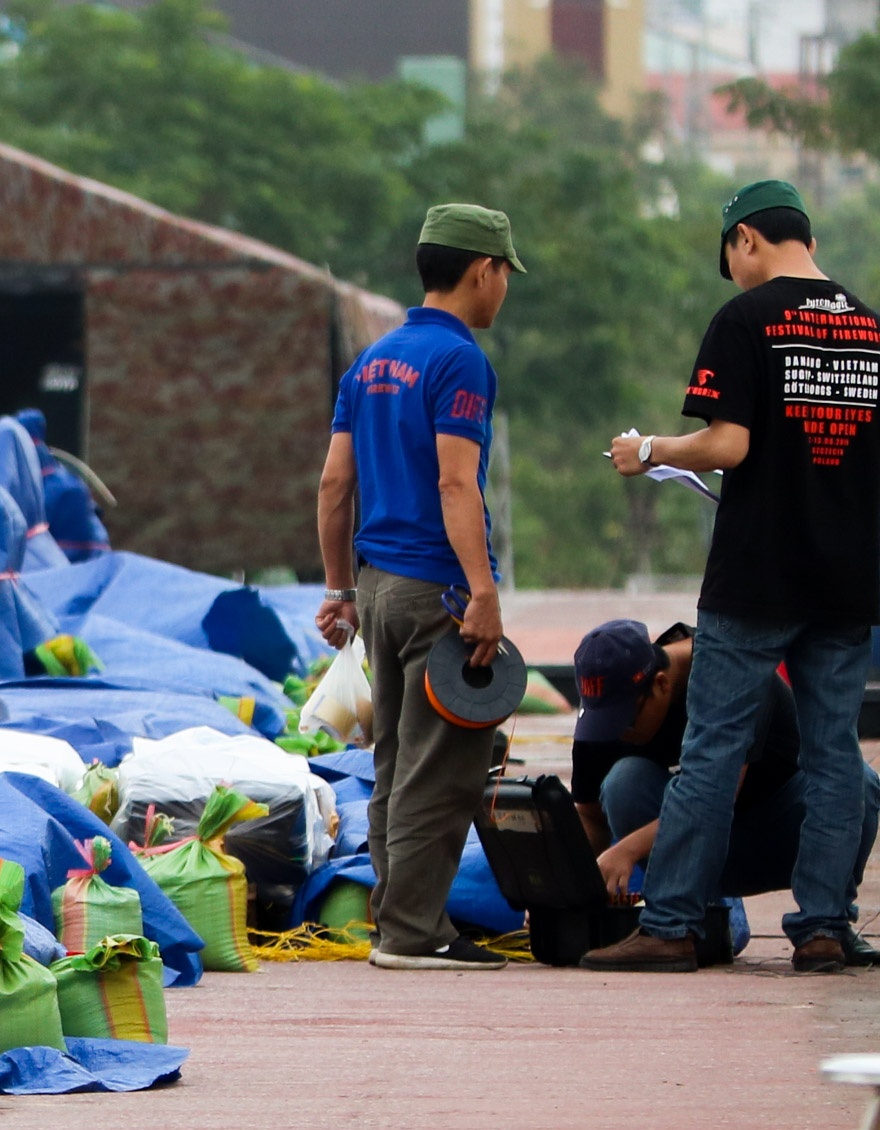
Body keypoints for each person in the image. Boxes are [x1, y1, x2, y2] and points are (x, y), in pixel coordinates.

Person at [583, 180, 880, 974]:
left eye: (731, 257)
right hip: (850, 580)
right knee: (833, 755)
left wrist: (649, 451)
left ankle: (673, 921)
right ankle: (822, 927)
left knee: (712, 747)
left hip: (759, 578)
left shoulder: (745, 321)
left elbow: (729, 445)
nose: (735, 273)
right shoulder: (870, 328)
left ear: (746, 239)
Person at [315, 203, 524, 971]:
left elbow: (336, 484)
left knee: (397, 760)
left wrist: (340, 589)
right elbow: (454, 483)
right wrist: (484, 594)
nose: (504, 290)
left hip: (376, 591)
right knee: (444, 766)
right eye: (505, 274)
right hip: (436, 590)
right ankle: (412, 933)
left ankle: (395, 920)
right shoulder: (459, 362)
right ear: (483, 271)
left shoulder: (370, 363)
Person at [571, 619, 879, 962]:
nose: (617, 733)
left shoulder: (729, 673)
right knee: (623, 782)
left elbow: (718, 794)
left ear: (660, 685)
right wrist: (565, 889)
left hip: (790, 841)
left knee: (859, 784)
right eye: (604, 723)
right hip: (694, 851)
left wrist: (626, 849)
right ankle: (697, 909)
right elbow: (590, 819)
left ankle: (827, 922)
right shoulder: (605, 712)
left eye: (625, 722)